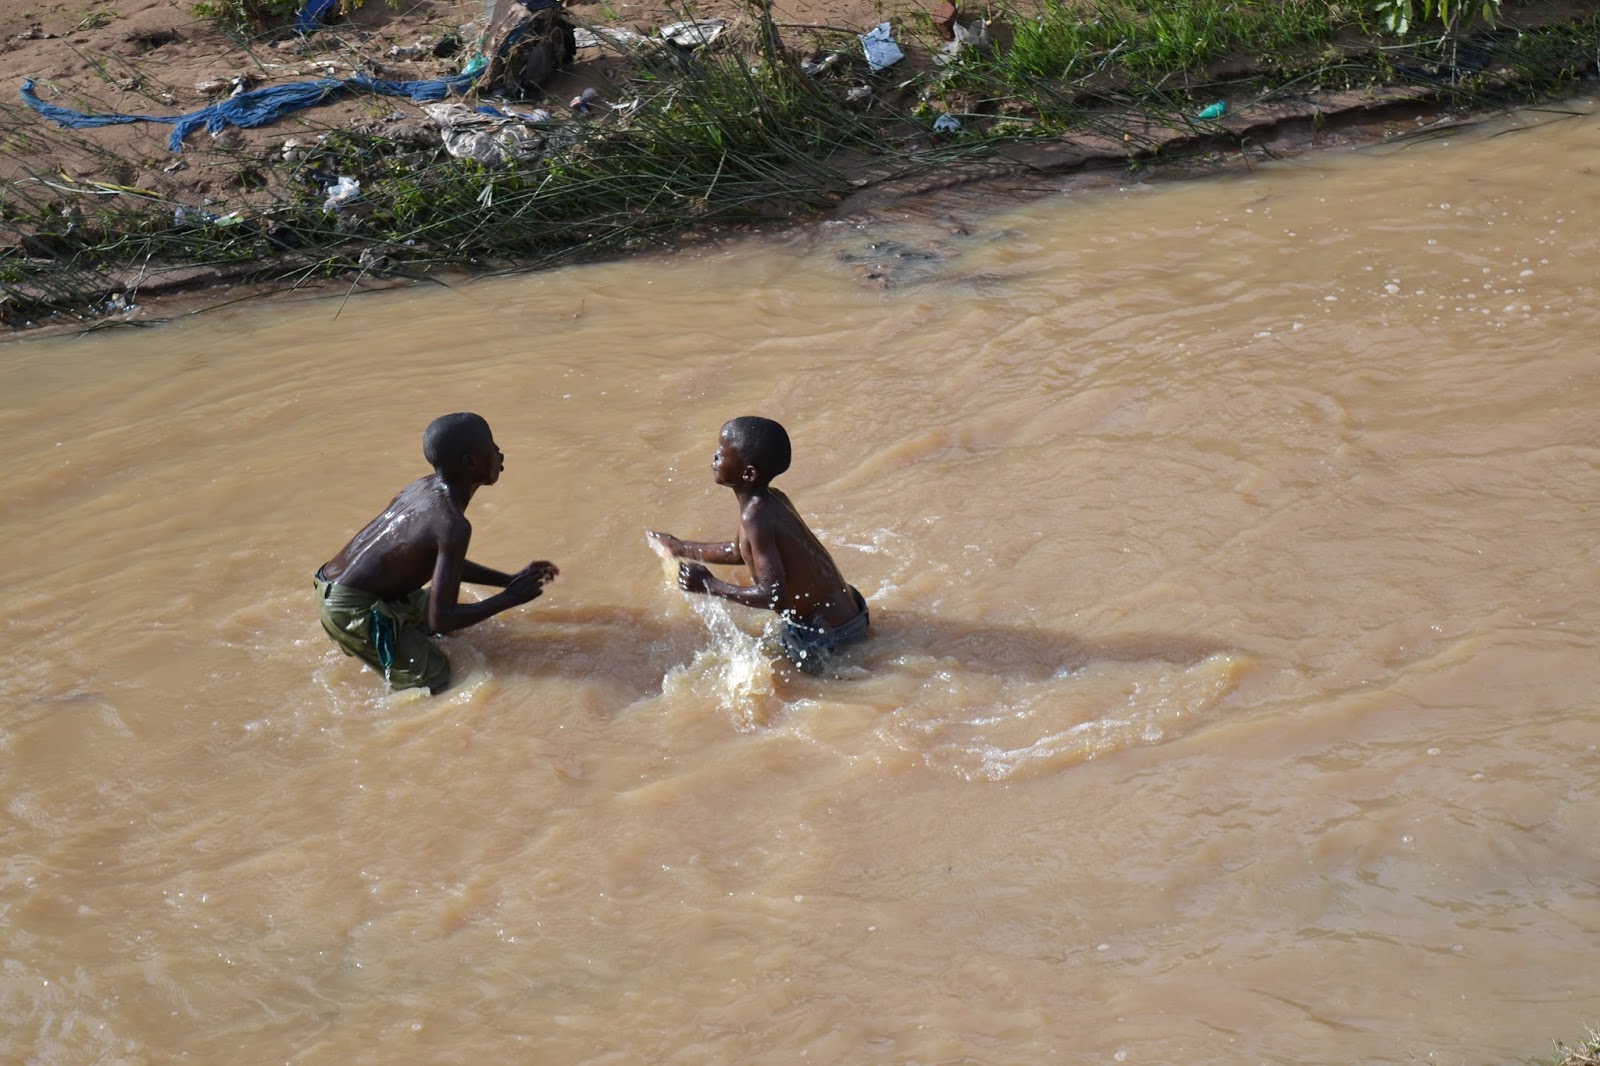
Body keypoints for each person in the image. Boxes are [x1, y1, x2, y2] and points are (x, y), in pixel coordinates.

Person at [313, 412, 558, 693]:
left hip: (337, 583)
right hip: (348, 609)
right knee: (438, 681)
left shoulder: (423, 487)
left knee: (435, 621)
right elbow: (441, 617)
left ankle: (392, 636)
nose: (499, 452)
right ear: (470, 462)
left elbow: (442, 563)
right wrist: (510, 598)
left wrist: (508, 579)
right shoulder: (453, 525)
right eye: (491, 445)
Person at [649, 416, 869, 674]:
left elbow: (772, 594)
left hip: (828, 636)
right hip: (849, 614)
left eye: (722, 453)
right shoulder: (766, 502)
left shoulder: (756, 516)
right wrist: (679, 547)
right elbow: (738, 552)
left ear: (748, 473)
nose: (714, 457)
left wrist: (709, 585)